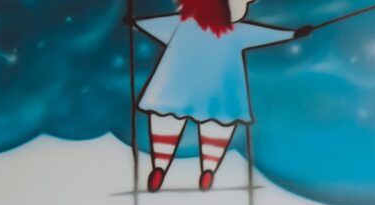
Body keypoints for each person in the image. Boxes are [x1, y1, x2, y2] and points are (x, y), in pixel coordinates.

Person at [127, 0, 313, 192]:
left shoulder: (183, 24)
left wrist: (136, 23)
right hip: (219, 91)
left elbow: (157, 26)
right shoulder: (237, 31)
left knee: (166, 121)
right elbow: (265, 35)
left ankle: (160, 165)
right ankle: (209, 168)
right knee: (217, 126)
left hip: (175, 85)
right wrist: (294, 34)